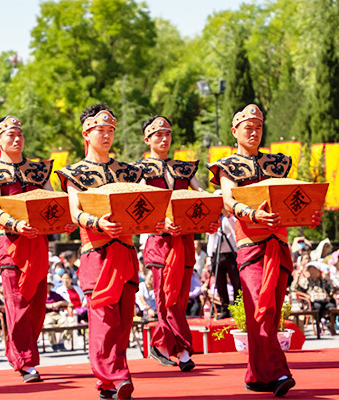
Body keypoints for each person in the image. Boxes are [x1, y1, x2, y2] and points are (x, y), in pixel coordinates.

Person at [207, 104, 322, 397]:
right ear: (234, 132)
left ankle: (257, 376)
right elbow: (228, 201)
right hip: (250, 245)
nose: (254, 132)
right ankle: (278, 371)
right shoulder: (226, 166)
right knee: (260, 308)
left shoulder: (278, 163)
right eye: (248, 127)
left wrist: (307, 215)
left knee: (269, 314)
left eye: (258, 127)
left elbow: (290, 199)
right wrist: (253, 214)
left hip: (279, 246)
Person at [56, 104, 162, 400]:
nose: (106, 135)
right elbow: (75, 211)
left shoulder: (128, 171)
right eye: (100, 130)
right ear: (86, 133)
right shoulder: (73, 173)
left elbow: (143, 206)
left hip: (126, 253)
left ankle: (107, 383)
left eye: (110, 130)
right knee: (103, 322)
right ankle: (117, 378)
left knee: (123, 324)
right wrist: (98, 223)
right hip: (97, 254)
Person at [0, 115, 75, 383]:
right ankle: (25, 361)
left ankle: (24, 354)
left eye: (20, 134)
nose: (17, 139)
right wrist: (15, 225)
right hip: (11, 244)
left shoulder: (38, 170)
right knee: (17, 306)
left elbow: (52, 200)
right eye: (10, 135)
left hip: (38, 243)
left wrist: (65, 220)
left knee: (38, 307)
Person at [135, 115, 219, 371]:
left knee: (179, 299)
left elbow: (200, 195)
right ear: (147, 139)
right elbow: (138, 205)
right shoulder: (140, 170)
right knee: (165, 298)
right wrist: (159, 222)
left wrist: (213, 209)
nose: (164, 139)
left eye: (167, 134)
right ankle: (182, 350)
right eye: (158, 134)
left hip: (184, 240)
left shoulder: (184, 168)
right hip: (159, 242)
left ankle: (160, 346)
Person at [206, 209, 240, 319]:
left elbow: (233, 227)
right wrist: (209, 255)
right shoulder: (212, 217)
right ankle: (224, 309)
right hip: (217, 253)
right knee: (220, 283)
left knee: (236, 282)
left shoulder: (229, 217)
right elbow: (210, 236)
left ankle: (237, 309)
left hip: (231, 252)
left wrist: (224, 212)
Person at [44, 276, 69, 351]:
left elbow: (67, 303)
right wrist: (48, 306)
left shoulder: (55, 294)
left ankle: (61, 342)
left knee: (66, 322)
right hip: (46, 315)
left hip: (57, 314)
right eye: (46, 284)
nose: (48, 286)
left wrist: (59, 303)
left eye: (49, 284)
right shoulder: (40, 295)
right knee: (48, 323)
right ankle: (53, 343)